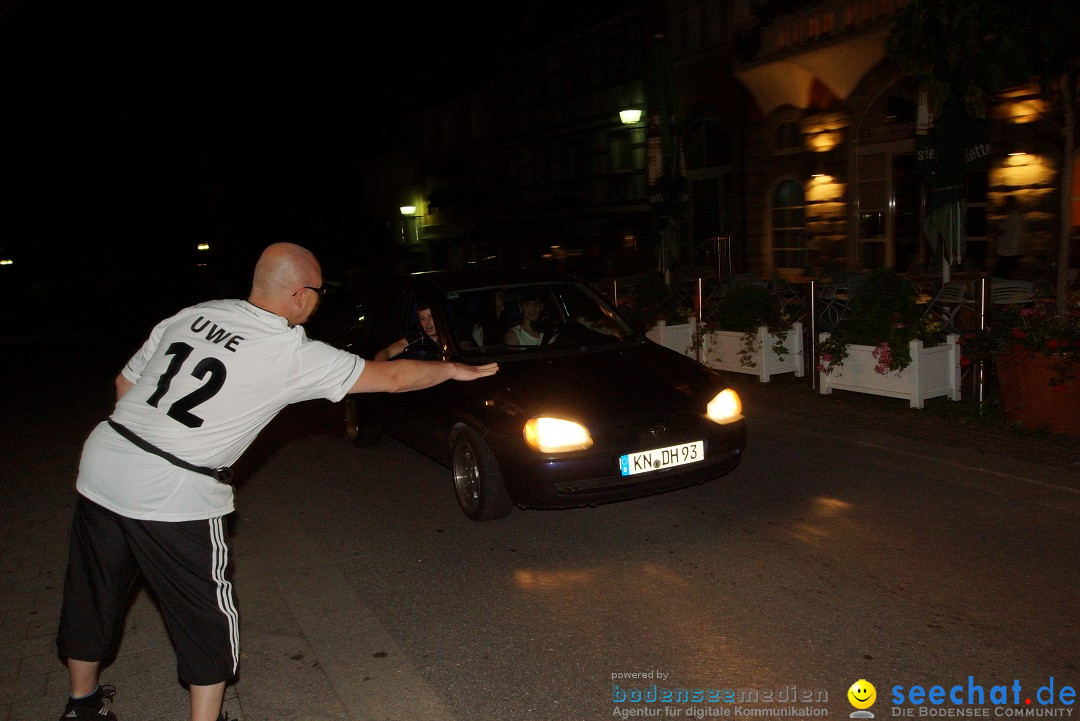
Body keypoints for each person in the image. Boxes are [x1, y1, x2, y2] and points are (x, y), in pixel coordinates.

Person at [54, 243, 497, 721]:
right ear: (301, 295)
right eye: (320, 290)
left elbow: (125, 385)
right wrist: (452, 368)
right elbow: (390, 377)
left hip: (104, 461)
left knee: (93, 589)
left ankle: (82, 704)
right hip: (175, 490)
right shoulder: (289, 352)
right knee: (205, 614)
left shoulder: (195, 314)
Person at [374, 298, 440, 360]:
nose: (427, 323)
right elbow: (386, 352)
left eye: (431, 317)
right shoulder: (418, 338)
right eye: (422, 318)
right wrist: (378, 367)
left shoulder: (449, 337)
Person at [994, 195, 1023, 279]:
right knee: (1011, 278)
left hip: (1005, 254)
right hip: (1014, 252)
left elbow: (998, 232)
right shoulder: (1019, 218)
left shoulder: (1009, 219)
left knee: (1001, 278)